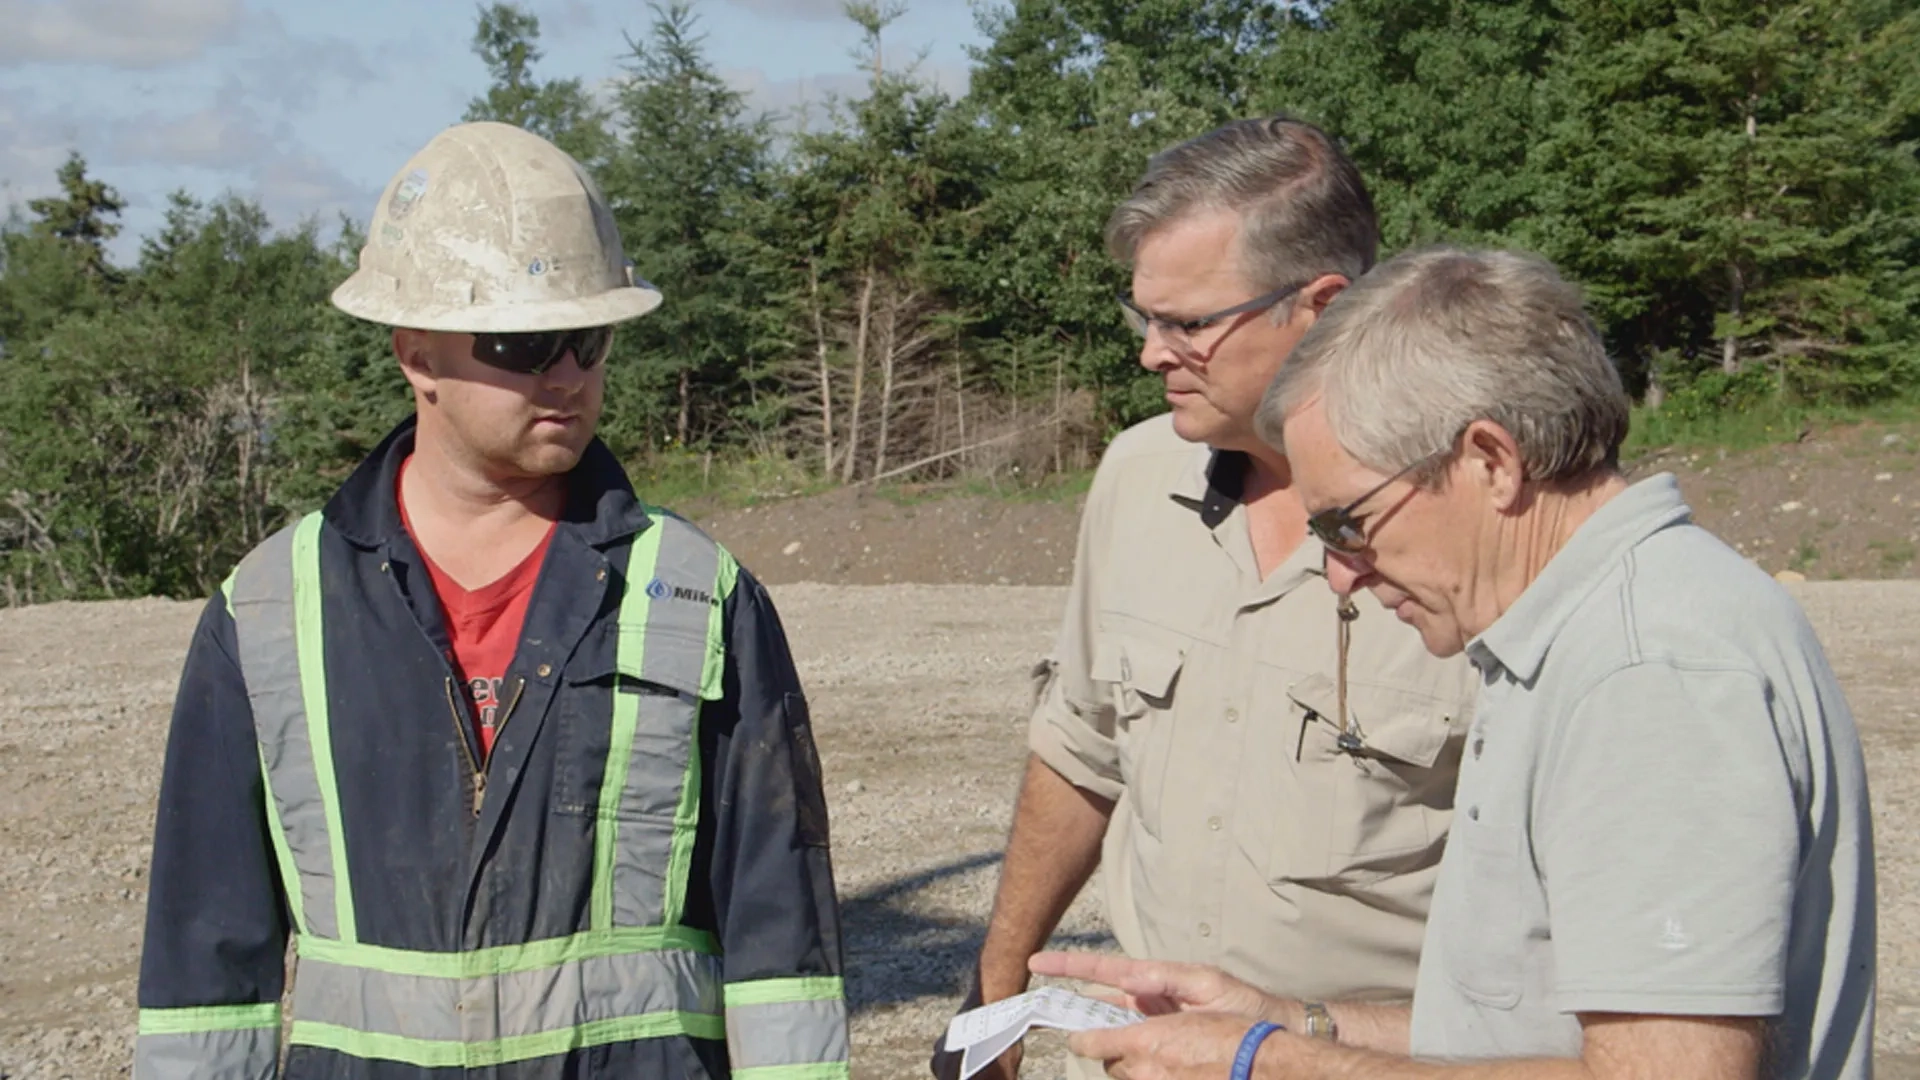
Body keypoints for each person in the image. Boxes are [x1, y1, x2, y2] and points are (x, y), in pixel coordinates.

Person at [1033, 245, 1876, 1080]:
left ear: (1491, 461)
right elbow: (1533, 1032)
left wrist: (1273, 1064)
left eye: (1346, 524)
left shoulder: (1647, 672)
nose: (1338, 571)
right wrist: (1292, 1021)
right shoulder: (1579, 632)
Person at [133, 121, 849, 1079]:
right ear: (416, 354)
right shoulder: (269, 607)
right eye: (523, 342)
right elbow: (205, 957)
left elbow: (780, 927)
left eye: (589, 341)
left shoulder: (695, 593)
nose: (568, 375)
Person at [932, 117, 1480, 1080]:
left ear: (1322, 307)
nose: (1150, 353)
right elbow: (1080, 748)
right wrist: (998, 983)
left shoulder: (1465, 526)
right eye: (1142, 316)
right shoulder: (1138, 476)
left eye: (1186, 323)